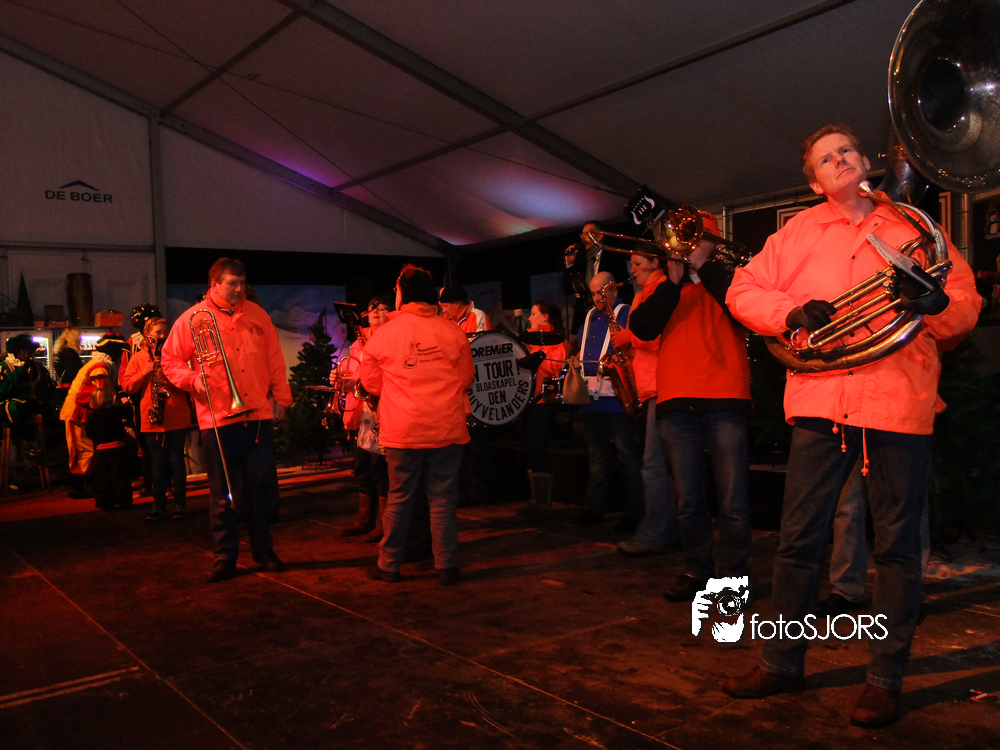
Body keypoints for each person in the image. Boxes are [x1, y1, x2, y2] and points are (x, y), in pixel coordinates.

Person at [722, 123, 979, 728]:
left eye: (845, 151)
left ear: (864, 160)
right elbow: (741, 289)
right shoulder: (796, 233)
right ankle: (781, 664)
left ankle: (884, 680)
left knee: (898, 550)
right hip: (821, 402)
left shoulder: (917, 229)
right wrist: (789, 312)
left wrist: (939, 305)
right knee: (797, 543)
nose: (838, 160)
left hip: (898, 400)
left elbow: (965, 304)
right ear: (814, 182)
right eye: (825, 159)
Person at [627, 212, 752, 598]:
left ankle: (734, 579)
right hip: (676, 401)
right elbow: (641, 327)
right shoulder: (663, 287)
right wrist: (674, 282)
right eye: (685, 241)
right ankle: (697, 571)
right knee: (688, 501)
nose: (689, 247)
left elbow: (745, 312)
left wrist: (704, 270)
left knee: (733, 501)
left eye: (698, 240)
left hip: (726, 397)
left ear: (712, 244)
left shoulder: (732, 280)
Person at [161, 257, 293, 583]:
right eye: (232, 283)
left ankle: (263, 549)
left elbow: (274, 358)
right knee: (222, 493)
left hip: (257, 415)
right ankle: (225, 556)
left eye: (242, 283)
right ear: (215, 284)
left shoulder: (258, 315)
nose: (238, 289)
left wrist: (282, 398)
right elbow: (170, 360)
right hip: (218, 418)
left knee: (261, 488)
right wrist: (192, 380)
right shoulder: (192, 319)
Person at [359, 264, 475, 585]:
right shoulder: (452, 332)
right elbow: (466, 378)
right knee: (443, 499)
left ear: (403, 295)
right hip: (446, 428)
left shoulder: (385, 334)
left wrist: (398, 392)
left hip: (404, 430)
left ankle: (388, 565)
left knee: (399, 498)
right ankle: (447, 566)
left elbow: (370, 382)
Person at [612, 251, 679, 557]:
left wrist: (629, 338)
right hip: (651, 386)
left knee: (654, 465)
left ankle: (653, 533)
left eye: (638, 264)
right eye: (632, 264)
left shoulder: (662, 290)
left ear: (656, 264)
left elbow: (655, 336)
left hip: (662, 386)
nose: (633, 270)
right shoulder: (642, 294)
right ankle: (670, 529)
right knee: (663, 465)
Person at [574, 271, 644, 530]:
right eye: (593, 293)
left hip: (616, 397)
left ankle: (635, 511)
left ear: (613, 289)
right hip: (591, 399)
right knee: (597, 456)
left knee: (627, 455)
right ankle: (595, 507)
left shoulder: (626, 312)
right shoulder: (590, 316)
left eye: (600, 292)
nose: (596, 298)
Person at [120, 316, 193, 521]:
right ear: (147, 334)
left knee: (177, 462)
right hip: (152, 417)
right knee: (158, 464)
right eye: (158, 332)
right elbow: (127, 386)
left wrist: (170, 375)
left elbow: (188, 382)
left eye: (164, 332)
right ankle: (158, 506)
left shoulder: (176, 355)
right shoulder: (138, 358)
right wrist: (144, 372)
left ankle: (180, 506)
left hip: (176, 415)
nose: (162, 336)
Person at [335, 294, 393, 541]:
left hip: (384, 410)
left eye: (383, 308)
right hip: (362, 413)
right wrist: (340, 377)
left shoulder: (393, 337)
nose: (376, 312)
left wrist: (358, 382)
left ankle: (384, 523)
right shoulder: (359, 342)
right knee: (362, 468)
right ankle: (364, 520)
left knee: (380, 471)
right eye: (371, 308)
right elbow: (352, 369)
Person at [60, 332, 130, 499]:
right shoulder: (99, 367)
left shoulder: (98, 364)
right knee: (83, 451)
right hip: (78, 413)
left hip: (83, 412)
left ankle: (87, 486)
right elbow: (101, 393)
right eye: (119, 350)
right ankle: (80, 488)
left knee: (86, 450)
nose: (120, 355)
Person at [519, 299, 570, 516]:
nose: (529, 318)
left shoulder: (556, 340)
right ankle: (536, 499)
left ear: (545, 316)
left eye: (533, 314)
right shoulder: (530, 339)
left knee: (537, 448)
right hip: (529, 401)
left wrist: (536, 356)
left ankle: (542, 503)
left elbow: (556, 369)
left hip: (544, 402)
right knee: (531, 448)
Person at [562, 222, 631, 333]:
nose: (583, 237)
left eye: (587, 234)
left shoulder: (613, 258)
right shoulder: (580, 260)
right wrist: (569, 265)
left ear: (599, 236)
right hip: (586, 318)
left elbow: (624, 288)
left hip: (608, 315)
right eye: (582, 234)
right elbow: (566, 289)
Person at [84, 383, 134, 510]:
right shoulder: (116, 411)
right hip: (118, 447)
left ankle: (106, 502)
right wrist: (126, 402)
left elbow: (89, 431)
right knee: (121, 476)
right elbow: (129, 413)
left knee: (103, 478)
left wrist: (98, 440)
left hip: (102, 449)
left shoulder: (94, 416)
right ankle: (123, 500)